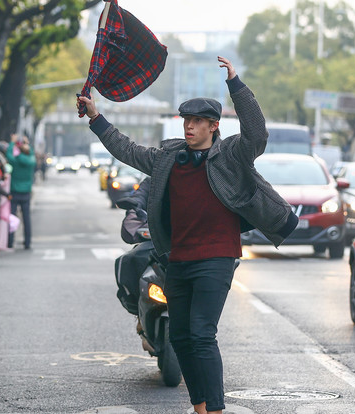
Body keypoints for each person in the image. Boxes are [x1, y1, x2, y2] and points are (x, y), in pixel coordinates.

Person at [78, 56, 298, 414]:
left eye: (197, 121)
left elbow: (257, 133)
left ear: (213, 125)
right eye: (186, 120)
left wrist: (237, 86)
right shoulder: (170, 158)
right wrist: (95, 117)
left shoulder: (231, 155)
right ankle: (200, 407)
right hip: (177, 259)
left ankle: (216, 408)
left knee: (200, 334)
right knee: (179, 336)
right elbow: (127, 149)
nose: (189, 127)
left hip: (217, 258)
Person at [6, 134, 35, 250]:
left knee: (12, 217)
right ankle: (27, 242)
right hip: (26, 193)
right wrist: (27, 144)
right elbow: (31, 153)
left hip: (14, 192)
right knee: (26, 218)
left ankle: (10, 241)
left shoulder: (15, 161)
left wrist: (12, 143)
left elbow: (8, 155)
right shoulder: (31, 161)